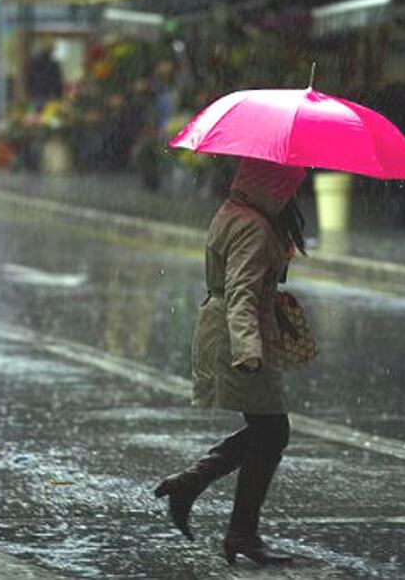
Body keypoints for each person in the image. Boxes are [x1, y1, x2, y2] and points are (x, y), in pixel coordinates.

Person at [154, 157, 308, 566]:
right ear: (271, 184)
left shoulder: (237, 210)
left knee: (268, 430)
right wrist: (248, 351)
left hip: (232, 328)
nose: (291, 194)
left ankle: (201, 494)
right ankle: (236, 527)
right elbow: (240, 292)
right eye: (287, 185)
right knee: (272, 430)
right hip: (237, 335)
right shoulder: (254, 226)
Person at [25, 38, 64, 110]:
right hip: (48, 96)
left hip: (37, 95)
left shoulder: (34, 62)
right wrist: (59, 96)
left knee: (38, 116)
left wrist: (29, 93)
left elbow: (29, 80)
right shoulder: (53, 64)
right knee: (48, 117)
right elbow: (58, 83)